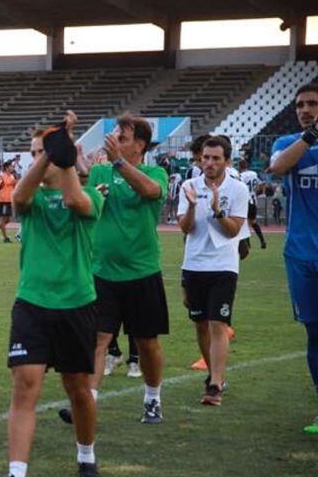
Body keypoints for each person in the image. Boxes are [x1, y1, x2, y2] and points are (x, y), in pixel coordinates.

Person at [0, 114, 105, 477]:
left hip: (76, 303)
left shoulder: (93, 196)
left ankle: (86, 457)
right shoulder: (31, 198)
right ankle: (16, 476)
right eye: (33, 153)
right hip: (33, 303)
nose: (38, 159)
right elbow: (18, 198)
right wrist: (49, 153)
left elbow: (74, 200)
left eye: (44, 152)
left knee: (78, 391)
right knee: (24, 386)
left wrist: (65, 155)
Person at [59, 114, 170, 425]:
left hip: (142, 272)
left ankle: (152, 398)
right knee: (98, 339)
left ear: (141, 144)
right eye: (116, 135)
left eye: (123, 136)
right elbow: (89, 201)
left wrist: (120, 163)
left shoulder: (155, 171)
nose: (116, 139)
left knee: (147, 342)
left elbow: (150, 191)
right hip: (102, 272)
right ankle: (87, 403)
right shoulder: (100, 171)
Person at [178, 135, 248, 407]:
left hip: (223, 265)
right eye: (205, 158)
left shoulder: (238, 189)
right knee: (200, 323)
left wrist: (218, 210)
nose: (208, 162)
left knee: (218, 323)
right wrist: (194, 205)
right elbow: (185, 228)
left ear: (227, 161)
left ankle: (215, 384)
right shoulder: (189, 185)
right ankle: (213, 373)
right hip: (194, 263)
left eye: (215, 158)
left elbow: (233, 231)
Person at [268, 83, 318, 434]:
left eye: (313, 103)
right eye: (300, 104)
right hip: (301, 254)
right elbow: (278, 168)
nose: (305, 108)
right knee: (314, 333)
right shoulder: (288, 143)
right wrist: (310, 136)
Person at [237, 157, 267, 250]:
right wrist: (258, 191)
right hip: (254, 200)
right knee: (253, 222)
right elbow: (262, 183)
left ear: (239, 167)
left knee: (244, 222)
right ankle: (262, 240)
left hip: (245, 200)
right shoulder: (254, 173)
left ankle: (248, 244)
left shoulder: (241, 176)